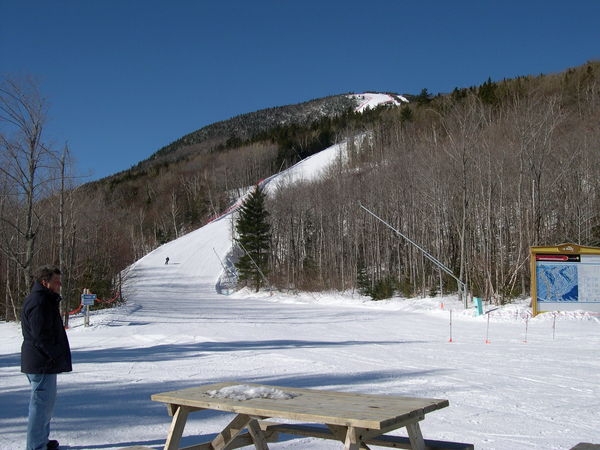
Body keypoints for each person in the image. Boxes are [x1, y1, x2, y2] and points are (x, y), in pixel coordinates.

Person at [21, 266, 72, 450]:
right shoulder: (39, 302)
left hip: (42, 361)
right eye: (56, 282)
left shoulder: (44, 300)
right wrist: (54, 355)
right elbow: (40, 335)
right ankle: (36, 446)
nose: (59, 285)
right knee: (40, 406)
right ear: (45, 282)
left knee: (45, 405)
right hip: (40, 362)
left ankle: (41, 440)